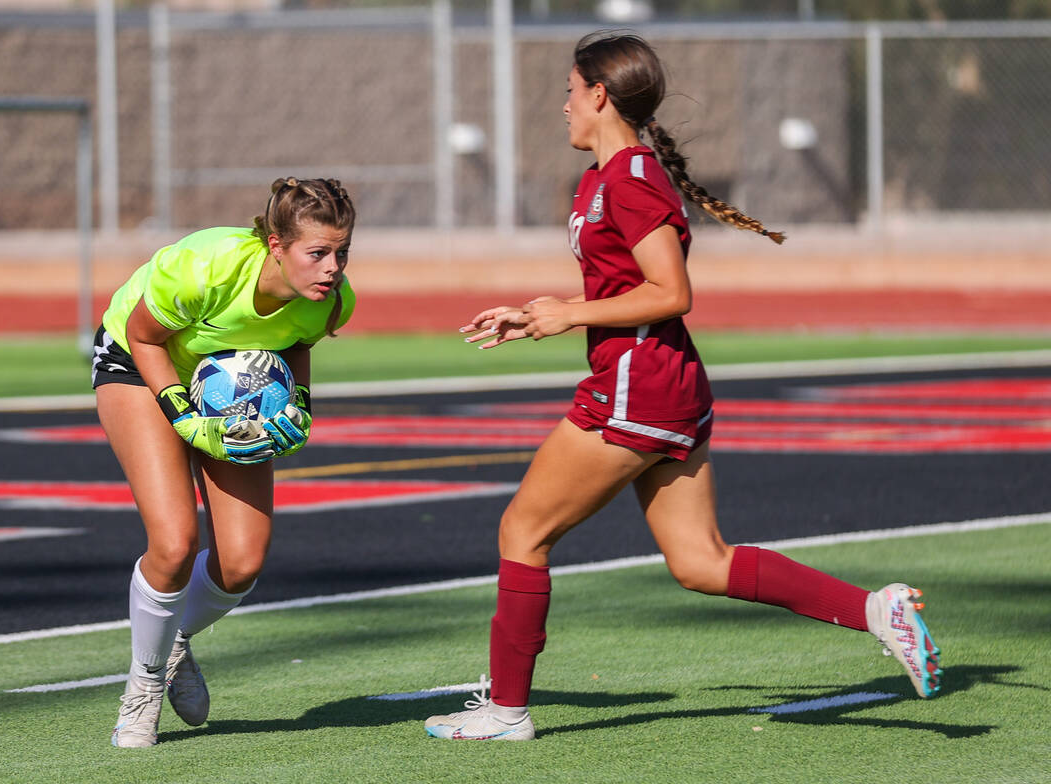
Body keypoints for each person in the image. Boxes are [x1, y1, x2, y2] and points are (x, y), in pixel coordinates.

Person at [423, 32, 941, 742]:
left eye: (570, 90)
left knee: (523, 529)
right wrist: (538, 314)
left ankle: (508, 712)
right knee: (701, 563)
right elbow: (626, 286)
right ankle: (878, 611)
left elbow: (672, 291)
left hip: (640, 386)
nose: (563, 105)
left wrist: (567, 314)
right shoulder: (603, 176)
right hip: (661, 382)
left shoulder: (631, 178)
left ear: (599, 95)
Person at [92, 177, 356, 747]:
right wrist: (185, 418)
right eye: (318, 253)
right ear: (277, 247)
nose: (333, 268)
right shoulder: (205, 266)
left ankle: (173, 643)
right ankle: (141, 688)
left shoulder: (331, 302)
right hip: (140, 367)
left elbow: (296, 345)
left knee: (241, 562)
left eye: (342, 252)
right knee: (174, 543)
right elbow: (144, 337)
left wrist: (301, 405)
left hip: (233, 393)